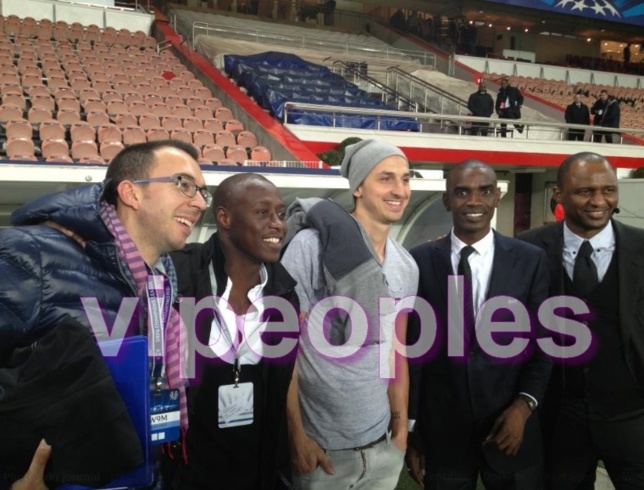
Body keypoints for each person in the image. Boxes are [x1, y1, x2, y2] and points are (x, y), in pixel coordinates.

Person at [0, 140, 209, 489]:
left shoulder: (162, 285)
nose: (200, 202)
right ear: (131, 193)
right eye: (184, 184)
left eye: (203, 192)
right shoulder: (32, 253)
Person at [405, 160, 552, 490]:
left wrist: (524, 405)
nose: (474, 201)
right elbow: (414, 353)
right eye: (461, 192)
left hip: (510, 428)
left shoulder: (529, 260)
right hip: (443, 436)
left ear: (497, 196)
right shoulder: (419, 261)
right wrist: (412, 430)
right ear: (446, 200)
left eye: (484, 191)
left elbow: (543, 344)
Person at [281, 139, 419, 489]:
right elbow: (283, 351)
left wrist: (400, 429)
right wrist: (297, 435)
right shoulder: (310, 247)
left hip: (382, 448)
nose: (400, 190)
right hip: (321, 450)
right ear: (357, 187)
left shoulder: (406, 265)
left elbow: (396, 350)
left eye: (405, 179)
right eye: (386, 178)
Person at [519, 152, 644, 489]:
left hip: (634, 416)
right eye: (585, 191)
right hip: (559, 419)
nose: (599, 201)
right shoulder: (526, 250)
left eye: (608, 190)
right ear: (558, 195)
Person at [168, 174, 300, 490]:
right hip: (186, 471)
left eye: (281, 214)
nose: (278, 225)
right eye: (262, 213)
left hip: (258, 468)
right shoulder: (179, 275)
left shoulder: (284, 294)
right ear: (224, 217)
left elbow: (281, 386)